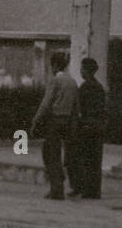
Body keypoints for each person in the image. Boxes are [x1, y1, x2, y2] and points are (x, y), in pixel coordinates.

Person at [30, 52, 79, 200]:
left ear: (55, 65)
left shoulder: (55, 81)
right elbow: (76, 107)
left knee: (50, 153)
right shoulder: (72, 82)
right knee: (59, 153)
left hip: (54, 121)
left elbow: (46, 103)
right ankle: (60, 180)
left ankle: (56, 188)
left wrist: (36, 120)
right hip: (67, 121)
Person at [68, 58, 107, 200]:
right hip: (98, 126)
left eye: (82, 68)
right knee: (95, 160)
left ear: (86, 70)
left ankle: (81, 187)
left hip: (85, 125)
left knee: (81, 157)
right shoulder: (99, 87)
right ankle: (94, 190)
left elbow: (78, 107)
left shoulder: (84, 87)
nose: (81, 71)